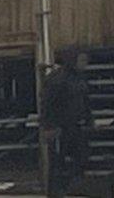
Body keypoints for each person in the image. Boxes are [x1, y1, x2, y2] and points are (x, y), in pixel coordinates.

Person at [41, 50, 91, 198]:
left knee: (82, 157)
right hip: (60, 126)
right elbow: (47, 104)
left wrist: (89, 119)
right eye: (82, 60)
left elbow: (85, 101)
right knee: (57, 161)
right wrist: (49, 126)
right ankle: (56, 192)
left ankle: (71, 187)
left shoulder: (80, 78)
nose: (85, 64)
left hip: (76, 125)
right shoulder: (57, 79)